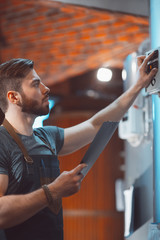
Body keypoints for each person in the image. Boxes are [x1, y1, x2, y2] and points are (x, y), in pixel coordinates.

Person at [0, 52, 157, 240]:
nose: (46, 88)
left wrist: (138, 85)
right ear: (14, 97)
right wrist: (53, 191)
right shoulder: (2, 142)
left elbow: (96, 125)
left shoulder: (47, 137)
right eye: (35, 84)